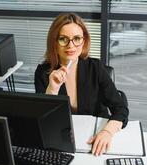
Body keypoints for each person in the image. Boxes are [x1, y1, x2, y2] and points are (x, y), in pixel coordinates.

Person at [35, 13, 129, 156]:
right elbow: (42, 121)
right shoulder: (43, 73)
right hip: (63, 141)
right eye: (63, 39)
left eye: (77, 39)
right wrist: (52, 89)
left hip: (95, 138)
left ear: (84, 41)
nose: (71, 45)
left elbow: (120, 108)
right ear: (54, 42)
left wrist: (107, 132)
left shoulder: (95, 68)